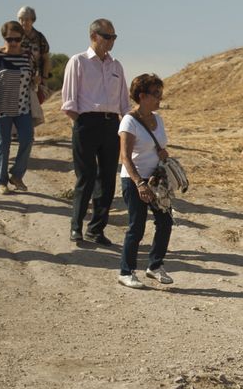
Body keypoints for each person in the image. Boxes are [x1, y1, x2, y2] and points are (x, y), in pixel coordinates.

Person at [59, 19, 129, 246]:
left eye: (114, 37)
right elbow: (69, 102)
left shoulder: (116, 66)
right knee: (86, 177)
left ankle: (96, 229)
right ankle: (76, 227)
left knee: (108, 179)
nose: (111, 42)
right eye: (107, 37)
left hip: (112, 125)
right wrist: (81, 124)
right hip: (86, 123)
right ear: (94, 36)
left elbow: (124, 103)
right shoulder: (78, 62)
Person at [117, 74, 175, 289]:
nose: (160, 99)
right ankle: (126, 271)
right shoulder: (129, 121)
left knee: (165, 222)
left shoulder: (157, 118)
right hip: (135, 180)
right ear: (141, 96)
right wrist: (139, 184)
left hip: (156, 180)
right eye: (155, 94)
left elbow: (157, 145)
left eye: (160, 94)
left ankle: (155, 265)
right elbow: (125, 156)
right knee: (137, 226)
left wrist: (162, 153)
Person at [0, 21, 36, 194]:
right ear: (3, 38)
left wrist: (37, 81)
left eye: (17, 39)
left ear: (22, 38)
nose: (13, 42)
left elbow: (32, 77)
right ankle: (2, 180)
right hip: (1, 106)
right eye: (9, 39)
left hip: (23, 106)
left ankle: (17, 175)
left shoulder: (27, 56)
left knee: (28, 139)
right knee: (3, 143)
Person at [16, 6, 51, 119]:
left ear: (32, 20)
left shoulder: (40, 38)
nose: (23, 22)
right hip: (17, 78)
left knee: (33, 108)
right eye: (21, 19)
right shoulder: (15, 36)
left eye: (26, 19)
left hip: (35, 80)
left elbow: (46, 59)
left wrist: (44, 79)